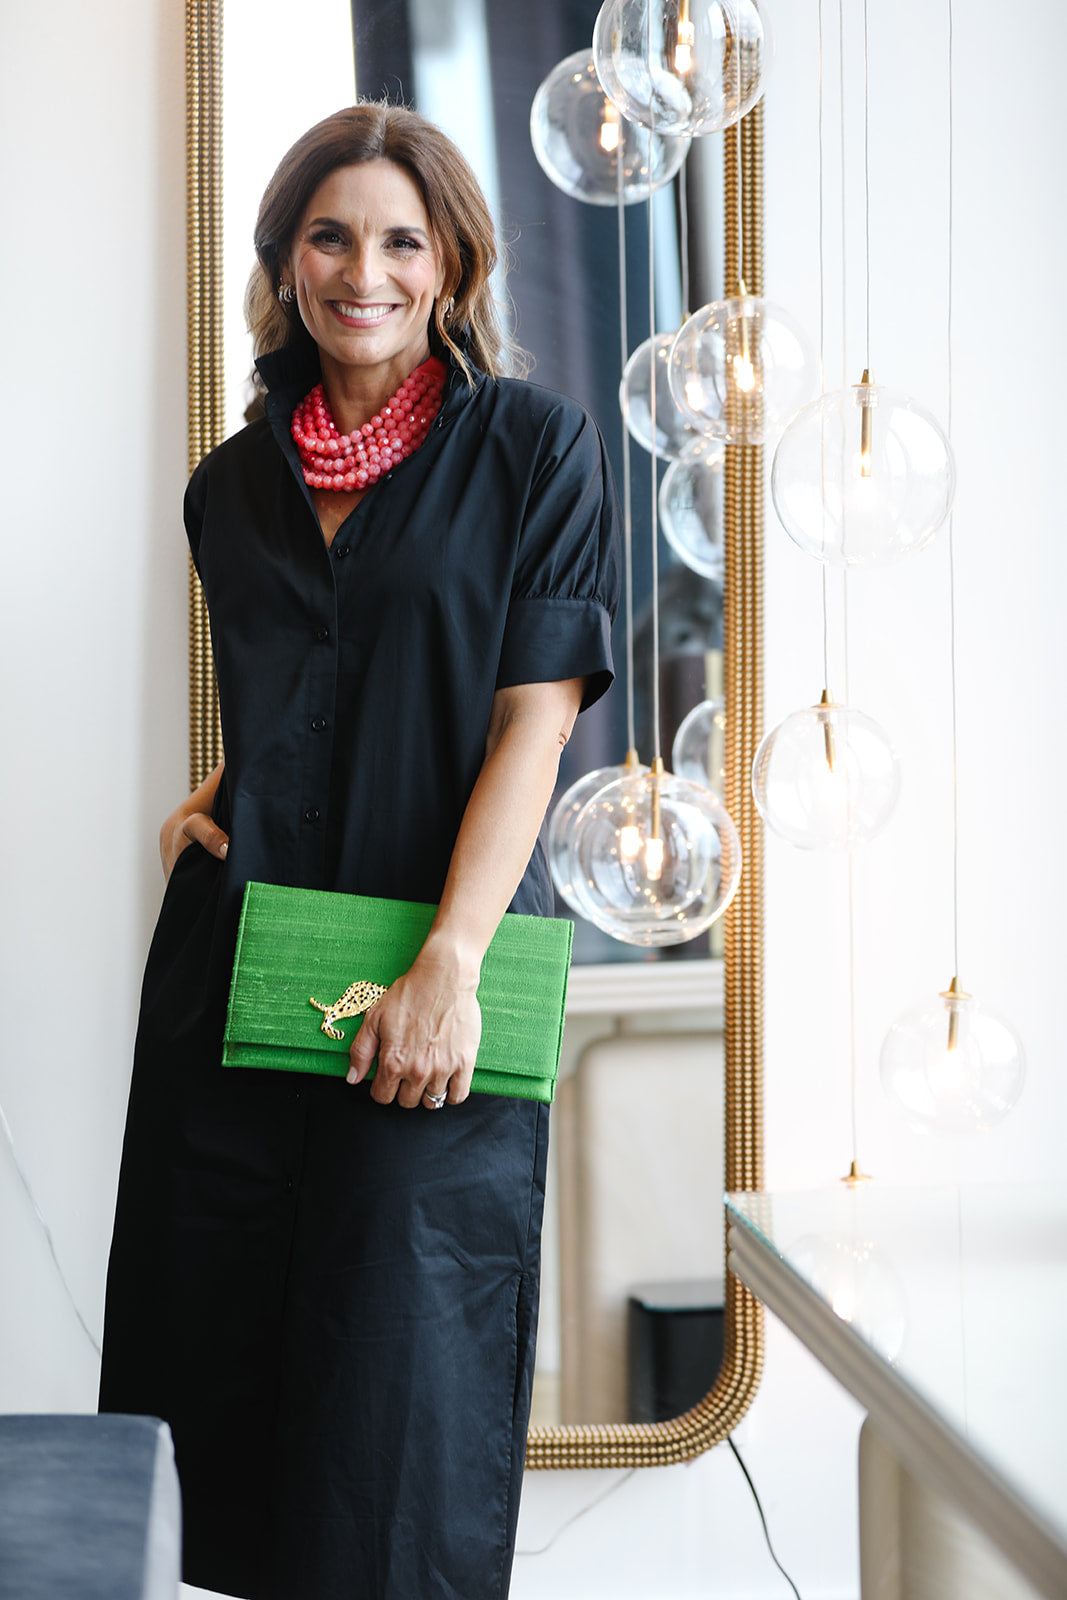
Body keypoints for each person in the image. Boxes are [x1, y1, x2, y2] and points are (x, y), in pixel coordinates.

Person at [98, 102, 620, 1600]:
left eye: (403, 237)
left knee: (399, 1433)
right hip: (240, 978)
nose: (365, 269)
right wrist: (219, 790)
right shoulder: (229, 488)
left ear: (453, 262)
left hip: (432, 981)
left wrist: (449, 961)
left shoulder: (532, 447)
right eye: (330, 235)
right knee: (228, 1410)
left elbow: (532, 718)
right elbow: (319, 683)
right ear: (285, 260)